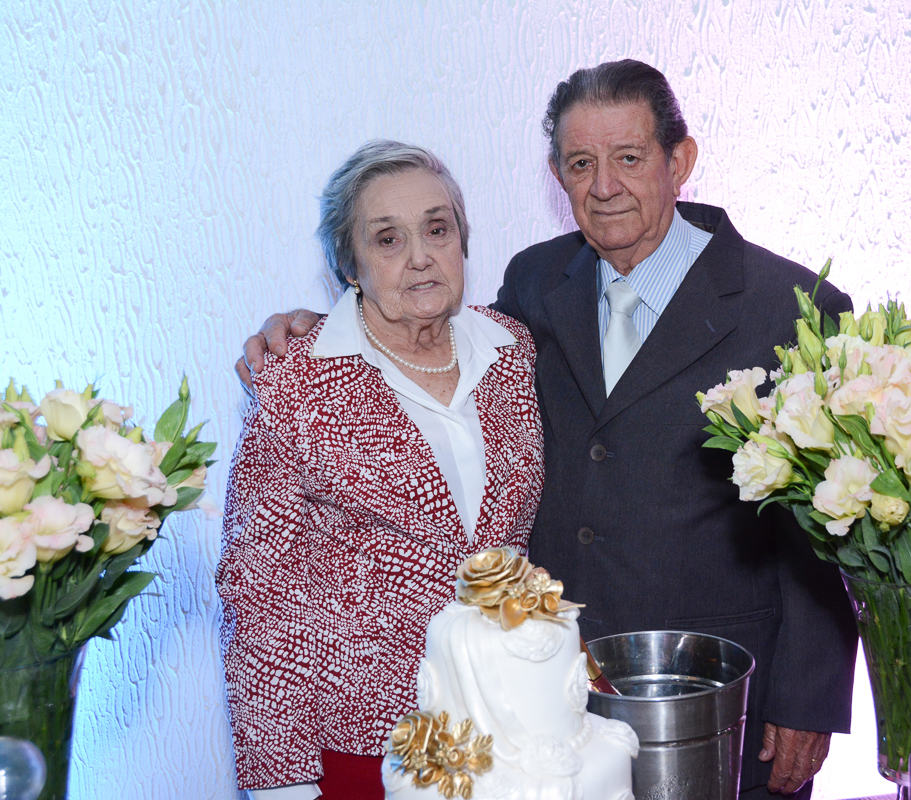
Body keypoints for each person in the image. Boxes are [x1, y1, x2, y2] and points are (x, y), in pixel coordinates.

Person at [239, 61, 857, 799]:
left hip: (719, 695)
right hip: (546, 709)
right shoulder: (534, 290)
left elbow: (829, 530)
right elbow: (409, 339)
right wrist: (311, 327)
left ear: (680, 160)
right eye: (580, 164)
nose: (605, 186)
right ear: (556, 176)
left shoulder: (790, 307)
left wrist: (807, 699)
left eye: (629, 158)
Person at [218, 141, 544, 800]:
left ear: (463, 242)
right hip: (369, 752)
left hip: (512, 728)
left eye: (436, 229)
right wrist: (282, 785)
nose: (420, 256)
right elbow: (259, 596)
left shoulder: (511, 350)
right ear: (350, 265)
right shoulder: (296, 380)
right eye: (388, 239)